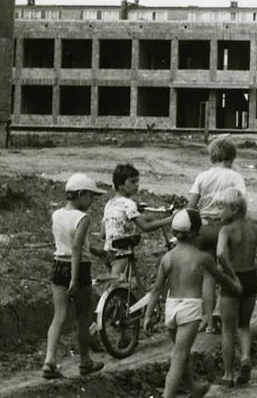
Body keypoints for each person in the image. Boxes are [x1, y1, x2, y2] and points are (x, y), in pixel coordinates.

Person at [144, 208, 243, 398]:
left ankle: (194, 389)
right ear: (197, 233)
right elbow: (220, 278)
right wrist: (236, 286)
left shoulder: (168, 257)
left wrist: (148, 315)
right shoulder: (201, 258)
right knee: (179, 356)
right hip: (189, 307)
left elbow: (156, 289)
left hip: (171, 307)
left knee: (182, 353)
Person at [41, 173, 107, 380]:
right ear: (81, 194)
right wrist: (75, 278)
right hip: (78, 269)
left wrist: (96, 251)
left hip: (58, 265)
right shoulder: (83, 218)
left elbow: (69, 244)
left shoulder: (57, 214)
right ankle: (85, 361)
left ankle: (49, 361)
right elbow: (77, 246)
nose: (92, 202)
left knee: (59, 316)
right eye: (91, 197)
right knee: (83, 317)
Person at [214, 187, 257, 387]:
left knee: (227, 329)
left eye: (220, 208)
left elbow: (221, 254)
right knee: (244, 325)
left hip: (233, 281)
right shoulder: (254, 229)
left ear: (232, 209)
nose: (217, 213)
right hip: (251, 278)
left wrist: (230, 275)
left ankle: (228, 374)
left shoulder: (226, 230)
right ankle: (246, 358)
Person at [186, 136, 247, 332]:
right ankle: (220, 311)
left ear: (212, 156)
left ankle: (208, 321)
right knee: (227, 270)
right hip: (225, 229)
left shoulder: (202, 177)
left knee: (208, 276)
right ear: (232, 157)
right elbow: (241, 205)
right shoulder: (236, 177)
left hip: (203, 229)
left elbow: (191, 207)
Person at [103, 163, 174, 286]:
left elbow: (102, 233)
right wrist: (169, 220)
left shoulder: (110, 203)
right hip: (122, 252)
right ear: (121, 185)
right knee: (114, 289)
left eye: (137, 181)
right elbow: (145, 227)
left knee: (113, 286)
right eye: (132, 182)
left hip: (108, 251)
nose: (137, 185)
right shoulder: (128, 203)